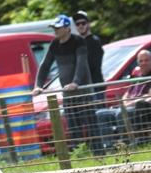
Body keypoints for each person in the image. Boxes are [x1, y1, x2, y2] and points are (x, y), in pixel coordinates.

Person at [32, 14, 101, 155]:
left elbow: (82, 63)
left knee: (91, 125)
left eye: (57, 27)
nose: (55, 30)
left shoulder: (78, 41)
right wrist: (38, 85)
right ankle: (79, 156)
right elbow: (45, 65)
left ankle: (99, 154)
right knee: (73, 127)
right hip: (68, 94)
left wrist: (75, 82)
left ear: (67, 28)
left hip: (83, 91)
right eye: (53, 28)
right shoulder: (54, 44)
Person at [122, 49, 151, 144]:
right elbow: (126, 95)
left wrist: (126, 105)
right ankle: (109, 145)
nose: (143, 63)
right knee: (102, 113)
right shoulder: (137, 76)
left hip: (142, 107)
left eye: (146, 60)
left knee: (121, 113)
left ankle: (126, 144)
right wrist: (124, 104)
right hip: (128, 105)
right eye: (141, 61)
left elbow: (150, 98)